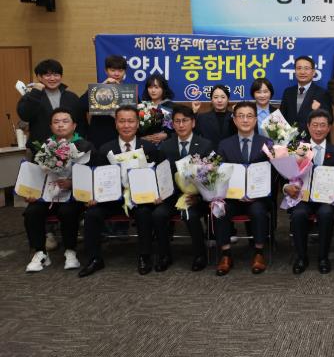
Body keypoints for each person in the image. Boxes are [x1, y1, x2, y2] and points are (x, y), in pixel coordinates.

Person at [78, 105, 162, 277]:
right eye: (122, 121)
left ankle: (144, 256)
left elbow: (157, 176)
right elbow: (98, 177)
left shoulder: (149, 148)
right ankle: (94, 259)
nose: (126, 125)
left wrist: (158, 194)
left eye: (130, 121)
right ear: (116, 124)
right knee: (92, 214)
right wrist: (94, 196)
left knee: (145, 213)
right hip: (111, 199)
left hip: (140, 199)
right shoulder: (105, 149)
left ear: (137, 124)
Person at [22, 108, 94, 273]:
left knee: (67, 211)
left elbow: (92, 174)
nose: (60, 125)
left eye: (65, 121)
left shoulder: (84, 146)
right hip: (47, 195)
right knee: (32, 211)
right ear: (51, 126)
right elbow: (36, 174)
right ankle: (40, 252)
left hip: (74, 196)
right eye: (56, 122)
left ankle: (70, 251)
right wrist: (32, 193)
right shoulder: (44, 147)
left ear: (74, 125)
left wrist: (72, 183)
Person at [151, 105, 214, 272]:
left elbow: (211, 177)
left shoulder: (205, 145)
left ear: (193, 123)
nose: (181, 125)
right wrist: (160, 194)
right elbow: (161, 174)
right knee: (158, 214)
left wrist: (198, 197)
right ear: (172, 124)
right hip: (171, 197)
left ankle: (200, 255)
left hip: (197, 198)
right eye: (177, 121)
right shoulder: (165, 146)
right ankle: (164, 255)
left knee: (190, 215)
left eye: (185, 120)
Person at [214, 101, 273, 276]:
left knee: (258, 211)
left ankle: (259, 252)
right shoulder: (224, 144)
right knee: (220, 210)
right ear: (234, 120)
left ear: (255, 120)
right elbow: (219, 174)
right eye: (241, 116)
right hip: (232, 197)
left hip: (258, 197)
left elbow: (273, 173)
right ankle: (225, 254)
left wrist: (258, 193)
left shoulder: (267, 143)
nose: (245, 120)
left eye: (249, 116)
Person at [285, 109, 334, 274]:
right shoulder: (297, 149)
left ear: (329, 128)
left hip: (326, 199)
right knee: (298, 214)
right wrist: (286, 187)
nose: (318, 129)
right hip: (302, 198)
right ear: (308, 126)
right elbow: (284, 175)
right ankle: (301, 257)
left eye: (323, 125)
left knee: (326, 213)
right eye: (315, 125)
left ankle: (323, 257)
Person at [17, 59, 84, 151]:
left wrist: (79, 145)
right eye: (47, 75)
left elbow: (82, 124)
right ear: (39, 77)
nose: (52, 79)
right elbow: (25, 116)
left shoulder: (72, 97)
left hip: (71, 149)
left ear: (61, 76)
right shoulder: (31, 96)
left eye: (56, 75)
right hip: (41, 150)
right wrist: (35, 92)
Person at [78, 54, 127, 148]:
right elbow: (81, 105)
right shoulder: (96, 89)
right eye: (113, 70)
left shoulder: (128, 91)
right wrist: (102, 86)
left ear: (124, 72)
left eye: (120, 70)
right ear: (106, 71)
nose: (116, 74)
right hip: (99, 138)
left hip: (122, 138)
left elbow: (136, 112)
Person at [279, 56, 332, 136]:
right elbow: (282, 117)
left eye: (306, 68)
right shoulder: (288, 92)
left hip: (312, 139)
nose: (302, 72)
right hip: (289, 139)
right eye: (299, 68)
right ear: (295, 71)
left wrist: (318, 110)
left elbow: (330, 119)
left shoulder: (322, 93)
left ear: (313, 72)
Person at [139, 73, 175, 146]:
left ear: (163, 89)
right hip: (144, 145)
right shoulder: (142, 106)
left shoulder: (170, 106)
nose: (153, 90)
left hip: (165, 146)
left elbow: (177, 129)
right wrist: (143, 138)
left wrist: (166, 135)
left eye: (156, 87)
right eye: (150, 87)